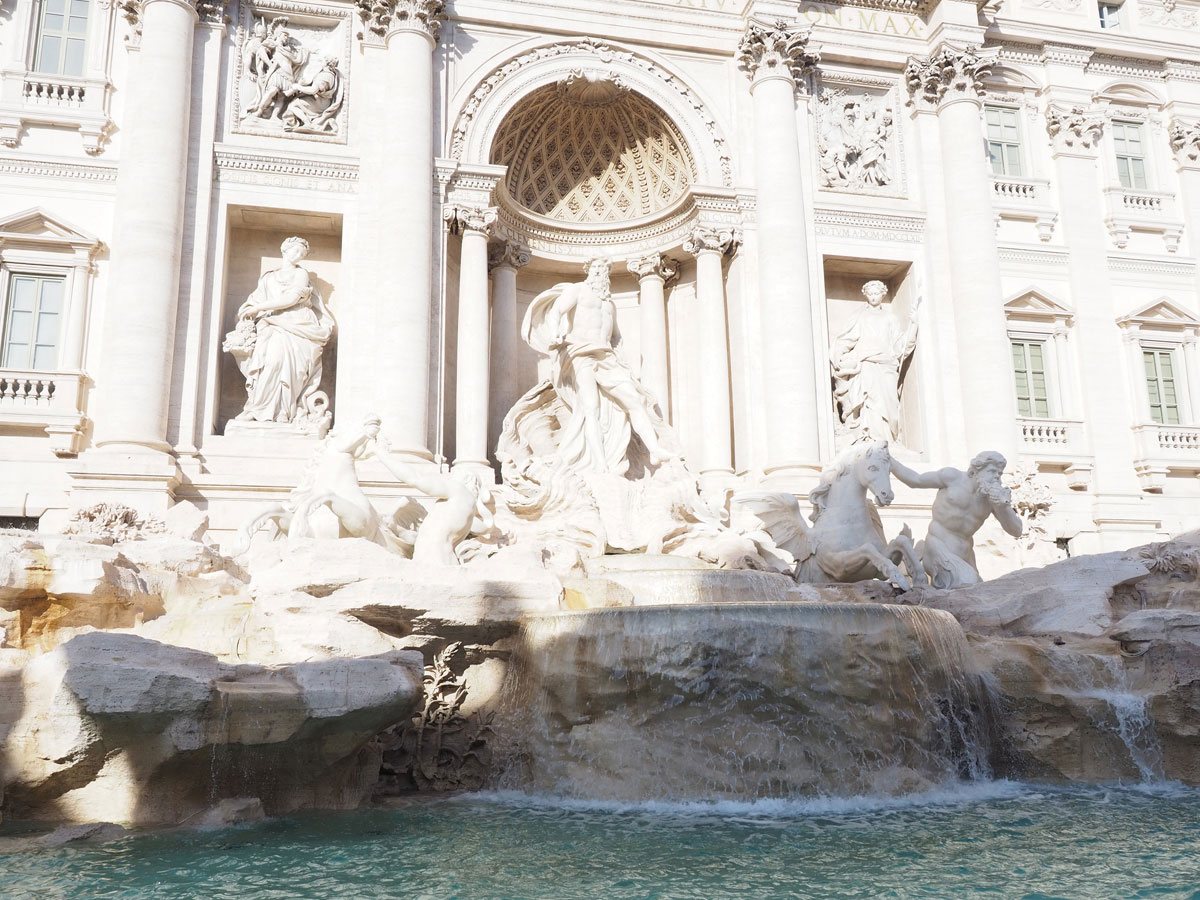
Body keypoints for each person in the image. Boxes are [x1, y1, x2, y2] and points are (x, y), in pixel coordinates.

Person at [518, 258, 676, 474]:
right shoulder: (577, 290)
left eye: (605, 269)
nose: (601, 272)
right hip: (581, 354)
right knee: (591, 408)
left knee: (635, 401)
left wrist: (622, 360)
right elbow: (556, 311)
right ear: (588, 270)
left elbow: (616, 336)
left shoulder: (610, 304)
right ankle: (600, 464)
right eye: (596, 268)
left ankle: (655, 449)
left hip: (606, 357)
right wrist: (555, 331)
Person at [224, 236, 335, 426]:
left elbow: (292, 298)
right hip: (271, 324)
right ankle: (257, 408)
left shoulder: (301, 274)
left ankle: (285, 410)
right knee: (269, 363)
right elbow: (254, 300)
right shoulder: (268, 277)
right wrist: (248, 310)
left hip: (297, 324)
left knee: (287, 366)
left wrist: (259, 308)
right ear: (284, 250)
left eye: (302, 253)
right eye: (295, 251)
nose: (298, 255)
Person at [889, 451, 1024, 589]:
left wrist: (1003, 506)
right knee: (968, 583)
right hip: (938, 547)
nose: (996, 477)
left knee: (978, 592)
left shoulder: (992, 499)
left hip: (966, 556)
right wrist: (889, 460)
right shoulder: (952, 477)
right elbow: (915, 480)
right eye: (992, 471)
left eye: (1000, 473)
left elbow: (1016, 530)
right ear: (976, 471)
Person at [830, 280, 919, 444]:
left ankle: (887, 439)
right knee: (869, 402)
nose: (873, 297)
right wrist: (839, 354)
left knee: (888, 402)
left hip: (886, 365)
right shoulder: (860, 316)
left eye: (876, 293)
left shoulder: (891, 318)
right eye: (870, 294)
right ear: (865, 295)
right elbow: (847, 339)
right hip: (866, 364)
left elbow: (901, 345)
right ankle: (868, 437)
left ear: (883, 294)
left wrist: (913, 325)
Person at [283, 55, 343, 134]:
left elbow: (313, 90)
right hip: (320, 100)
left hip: (320, 103)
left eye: (322, 61)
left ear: (326, 63)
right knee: (295, 103)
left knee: (293, 105)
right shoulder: (330, 74)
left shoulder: (325, 76)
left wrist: (298, 87)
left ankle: (308, 123)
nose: (320, 63)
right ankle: (304, 122)